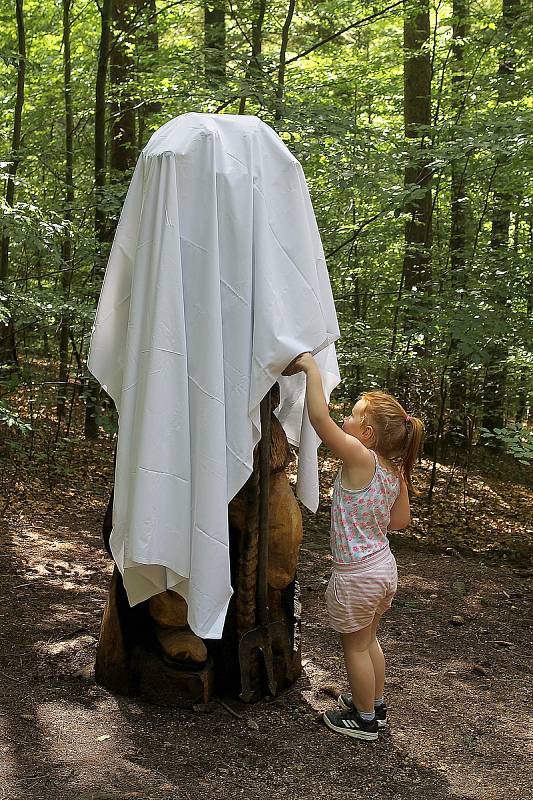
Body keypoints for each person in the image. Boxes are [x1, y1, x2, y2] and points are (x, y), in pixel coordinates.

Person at [285, 352, 424, 740]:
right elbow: (400, 522)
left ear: (367, 435)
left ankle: (364, 721)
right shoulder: (393, 470)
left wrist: (312, 368)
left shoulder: (360, 456)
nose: (345, 418)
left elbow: (318, 420)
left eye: (353, 415)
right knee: (368, 641)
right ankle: (374, 705)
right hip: (383, 567)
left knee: (356, 649)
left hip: (357, 574)